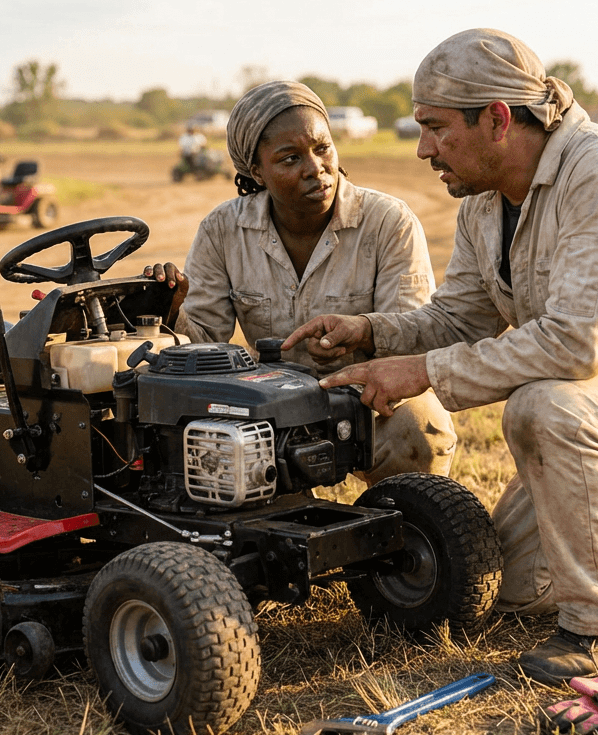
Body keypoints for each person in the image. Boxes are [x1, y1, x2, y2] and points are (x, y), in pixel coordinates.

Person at [282, 29, 598, 684]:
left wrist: (420, 373)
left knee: (543, 407)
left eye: (434, 127)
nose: (424, 148)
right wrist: (369, 334)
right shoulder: (486, 202)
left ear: (498, 119)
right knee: (506, 585)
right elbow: (459, 317)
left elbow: (576, 343)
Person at [145, 80, 457, 485]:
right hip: (267, 405)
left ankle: (401, 518)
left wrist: (361, 338)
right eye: (290, 159)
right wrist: (170, 311)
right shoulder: (223, 229)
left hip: (369, 398)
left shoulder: (388, 222)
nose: (315, 168)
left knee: (418, 429)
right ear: (256, 171)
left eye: (322, 148)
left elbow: (416, 334)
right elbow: (205, 342)